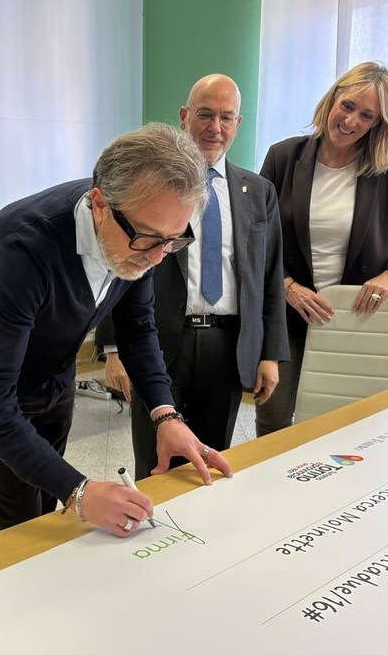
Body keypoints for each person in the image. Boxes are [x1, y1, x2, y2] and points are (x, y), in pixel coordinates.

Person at [0, 123, 233, 536]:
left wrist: (166, 414)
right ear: (99, 205)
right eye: (148, 239)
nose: (157, 258)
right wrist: (80, 491)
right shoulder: (24, 246)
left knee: (49, 502)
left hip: (55, 368)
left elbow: (137, 328)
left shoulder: (144, 231)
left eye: (173, 240)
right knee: (21, 519)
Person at [97, 74, 288, 479]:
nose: (214, 127)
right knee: (156, 464)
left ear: (238, 123)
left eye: (226, 117)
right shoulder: (148, 183)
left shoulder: (259, 192)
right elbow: (118, 261)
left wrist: (269, 353)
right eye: (204, 114)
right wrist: (114, 348)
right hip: (158, 343)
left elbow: (270, 277)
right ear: (184, 116)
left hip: (227, 346)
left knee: (211, 463)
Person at [255, 61, 388, 437]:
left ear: (379, 123)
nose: (351, 121)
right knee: (274, 415)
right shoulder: (283, 156)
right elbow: (256, 235)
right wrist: (287, 286)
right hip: (288, 311)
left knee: (350, 419)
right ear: (332, 99)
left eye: (367, 115)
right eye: (347, 106)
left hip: (354, 313)